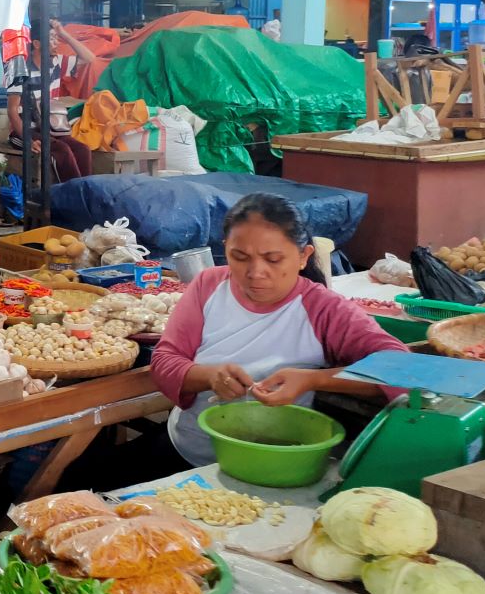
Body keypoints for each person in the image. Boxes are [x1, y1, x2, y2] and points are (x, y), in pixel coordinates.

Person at [150, 193, 409, 468]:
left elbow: (402, 369)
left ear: (303, 257)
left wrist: (314, 380)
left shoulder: (323, 308)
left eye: (273, 259)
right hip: (191, 449)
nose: (255, 272)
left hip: (277, 460)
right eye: (239, 257)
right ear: (225, 249)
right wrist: (210, 376)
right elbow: (165, 361)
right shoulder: (209, 285)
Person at [6, 36, 91, 183]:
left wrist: (62, 32)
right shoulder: (20, 70)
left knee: (83, 150)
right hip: (25, 132)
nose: (56, 42)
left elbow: (89, 58)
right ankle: (73, 193)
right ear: (37, 43)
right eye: (51, 39)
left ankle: (86, 190)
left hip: (52, 129)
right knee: (62, 150)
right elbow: (12, 111)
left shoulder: (56, 63)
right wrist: (29, 141)